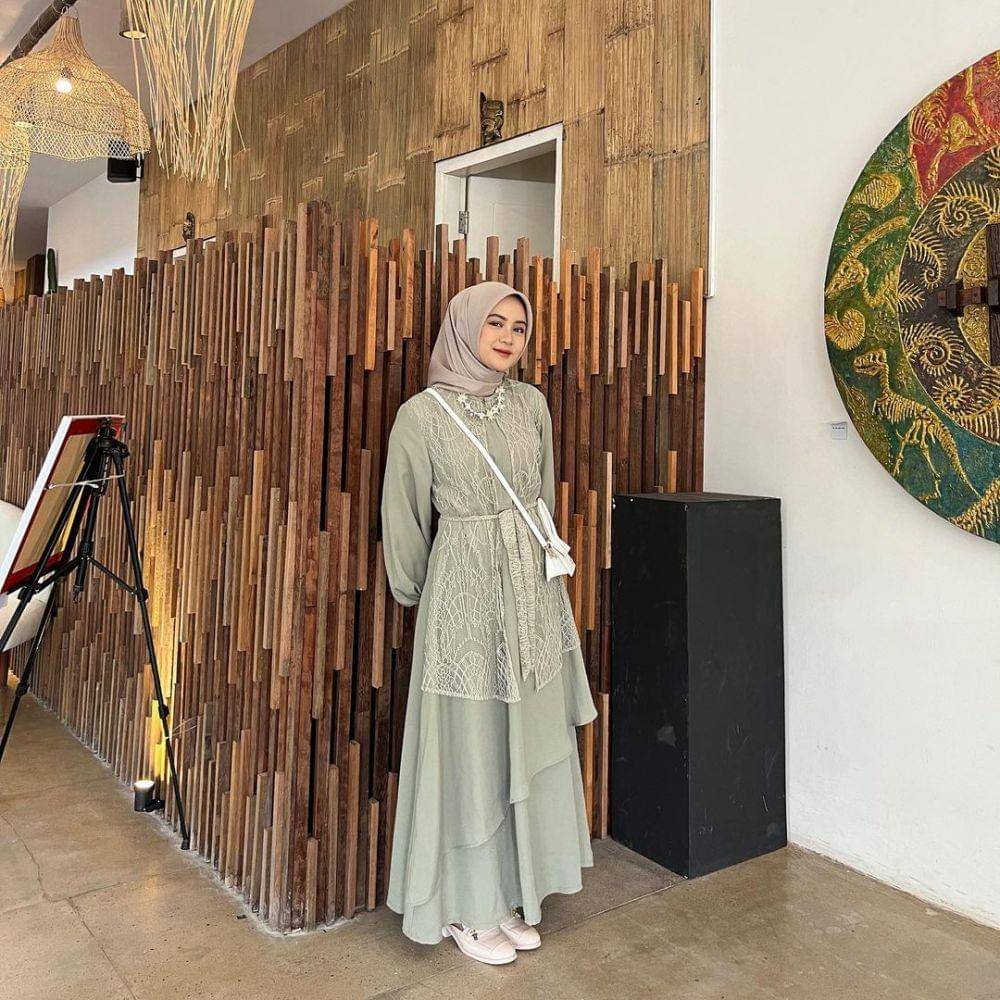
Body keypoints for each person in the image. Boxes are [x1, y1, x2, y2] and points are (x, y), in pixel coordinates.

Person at [380, 281, 597, 966]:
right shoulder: (421, 416)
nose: (507, 337)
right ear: (464, 327)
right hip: (464, 593)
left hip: (529, 590)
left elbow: (542, 496)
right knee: (470, 746)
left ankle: (506, 894)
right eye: (494, 323)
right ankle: (464, 907)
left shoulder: (531, 404)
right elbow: (404, 515)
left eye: (519, 327)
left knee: (520, 737)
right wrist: (419, 593)